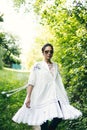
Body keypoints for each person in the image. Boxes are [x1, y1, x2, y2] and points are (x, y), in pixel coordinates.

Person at [12, 43, 82, 130]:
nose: (49, 53)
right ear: (43, 52)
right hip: (41, 95)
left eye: (51, 52)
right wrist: (28, 97)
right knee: (43, 120)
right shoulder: (37, 66)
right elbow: (31, 82)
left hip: (54, 95)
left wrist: (64, 95)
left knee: (59, 115)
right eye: (46, 51)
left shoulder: (55, 65)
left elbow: (58, 82)